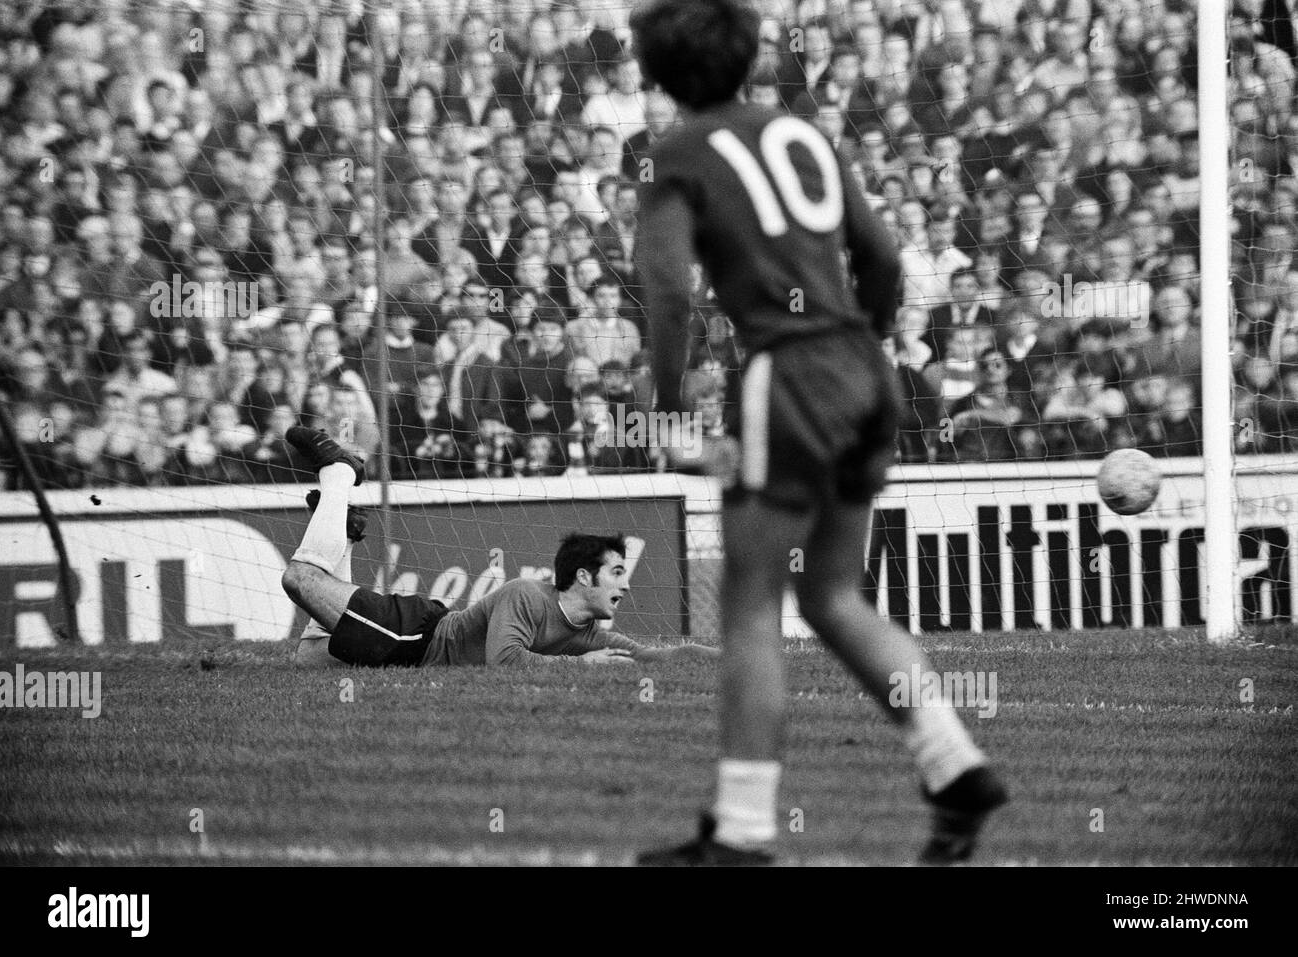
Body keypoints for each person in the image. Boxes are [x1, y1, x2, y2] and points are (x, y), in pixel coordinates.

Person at [630, 0, 1006, 866]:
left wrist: (664, 399)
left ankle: (746, 832)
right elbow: (880, 257)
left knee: (752, 601)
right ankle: (955, 765)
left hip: (788, 373)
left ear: (658, 74)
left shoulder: (678, 154)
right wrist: (861, 345)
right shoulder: (801, 134)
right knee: (833, 594)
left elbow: (669, 291)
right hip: (863, 368)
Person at [281, 426, 717, 668]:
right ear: (584, 577)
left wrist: (735, 659)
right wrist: (582, 666)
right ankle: (340, 473)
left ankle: (341, 526)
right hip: (415, 637)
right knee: (300, 579)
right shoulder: (527, 596)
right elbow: (504, 659)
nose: (625, 585)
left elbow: (655, 657)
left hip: (414, 651)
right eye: (617, 573)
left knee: (308, 659)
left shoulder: (585, 633)